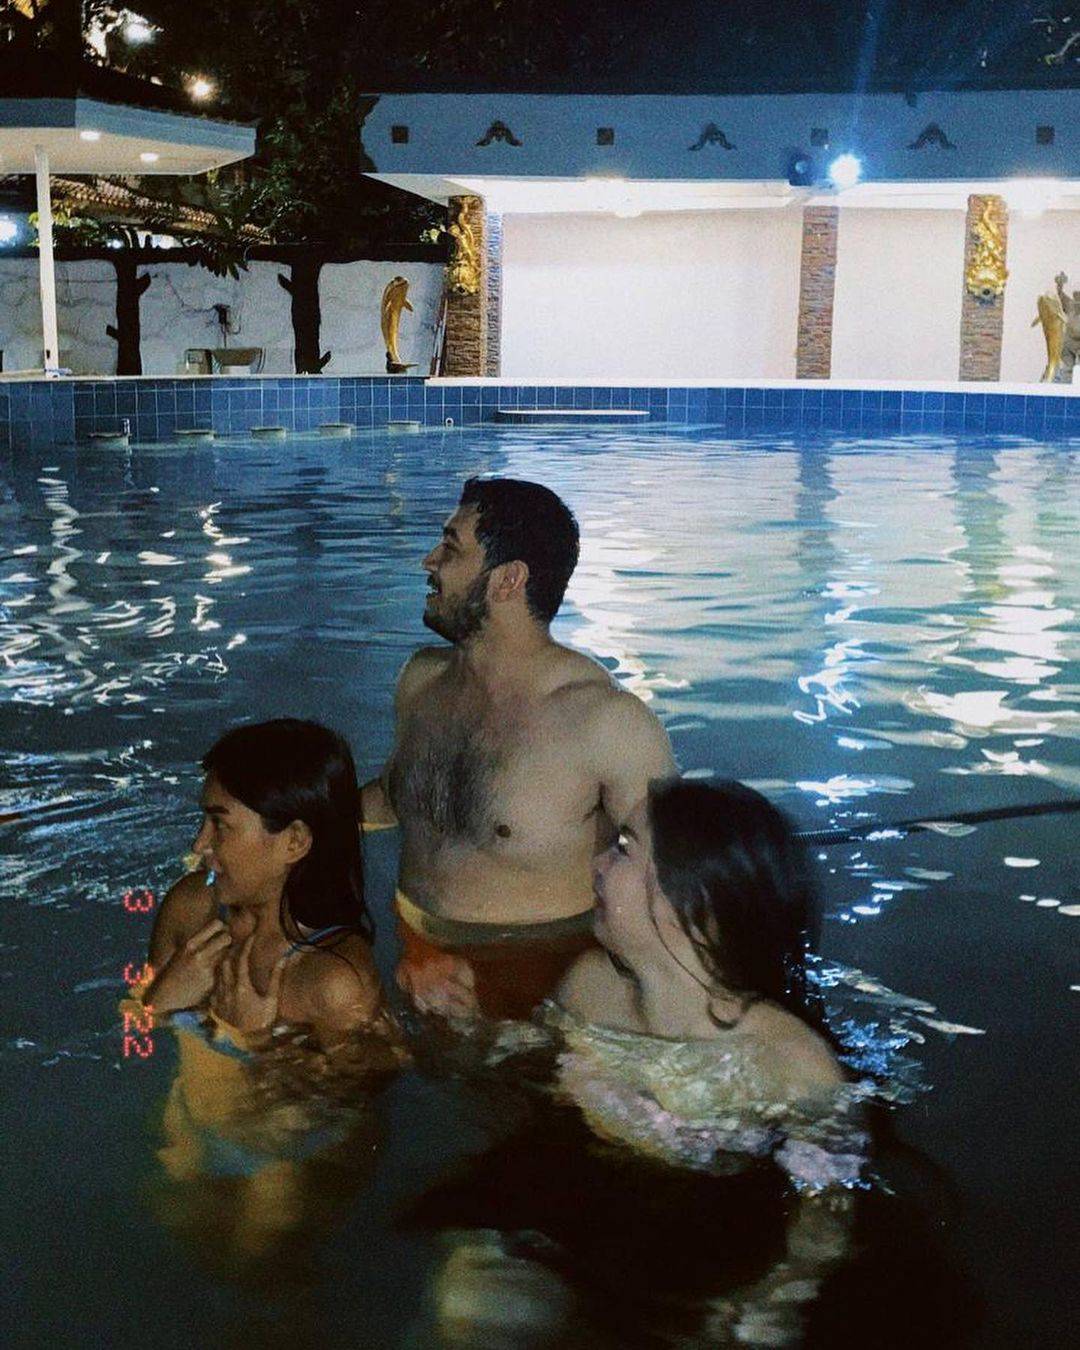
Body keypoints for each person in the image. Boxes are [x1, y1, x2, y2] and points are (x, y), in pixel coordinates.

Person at [359, 476, 676, 1022]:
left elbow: (672, 891)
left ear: (508, 579)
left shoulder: (607, 723)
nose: (428, 561)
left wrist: (530, 1011)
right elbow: (396, 797)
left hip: (543, 995)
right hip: (416, 960)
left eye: (450, 547)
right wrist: (281, 817)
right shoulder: (421, 683)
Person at [139, 718, 393, 1054]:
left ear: (294, 841)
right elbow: (138, 1051)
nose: (199, 844)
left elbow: (356, 1089)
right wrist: (158, 1003)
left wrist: (251, 1040)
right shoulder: (191, 907)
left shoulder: (335, 985)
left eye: (219, 824)